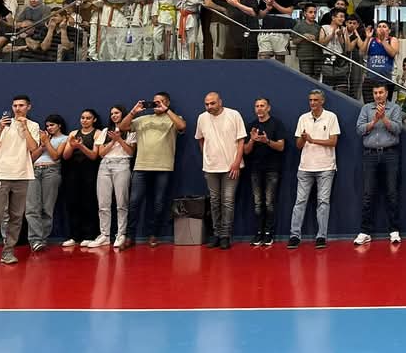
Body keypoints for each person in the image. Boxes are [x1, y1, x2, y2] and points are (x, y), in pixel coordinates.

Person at [119, 93, 186, 248]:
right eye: (155, 102)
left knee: (158, 203)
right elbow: (122, 127)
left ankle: (154, 234)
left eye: (160, 102)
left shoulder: (173, 118)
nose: (157, 105)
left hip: (163, 167)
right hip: (141, 167)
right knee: (134, 202)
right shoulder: (142, 119)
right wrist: (133, 112)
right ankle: (129, 237)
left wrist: (166, 110)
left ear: (167, 103)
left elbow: (182, 126)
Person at [0, 96, 39, 267]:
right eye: (15, 105)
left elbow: (33, 147)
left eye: (21, 105)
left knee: (16, 216)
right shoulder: (2, 124)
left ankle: (8, 252)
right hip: (2, 174)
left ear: (28, 107)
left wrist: (24, 127)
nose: (17, 108)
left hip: (22, 175)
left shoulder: (33, 125)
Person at [195, 91, 246, 250]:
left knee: (228, 201)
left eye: (212, 103)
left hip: (231, 167)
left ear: (220, 102)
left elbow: (241, 141)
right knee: (214, 201)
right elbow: (200, 138)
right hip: (211, 168)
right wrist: (207, 156)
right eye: (206, 104)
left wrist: (237, 162)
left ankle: (225, 236)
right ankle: (216, 234)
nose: (209, 106)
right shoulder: (202, 118)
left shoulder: (234, 115)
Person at [289, 89, 340, 249]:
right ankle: (294, 235)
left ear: (322, 101)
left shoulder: (331, 117)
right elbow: (298, 145)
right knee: (300, 201)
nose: (312, 103)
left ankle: (321, 236)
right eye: (310, 100)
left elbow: (333, 142)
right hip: (305, 167)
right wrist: (304, 140)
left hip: (326, 167)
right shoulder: (303, 118)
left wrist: (312, 140)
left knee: (323, 202)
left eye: (315, 100)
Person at [354, 84, 403, 246]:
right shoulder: (366, 109)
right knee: (368, 194)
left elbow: (397, 129)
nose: (378, 95)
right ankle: (365, 232)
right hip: (370, 155)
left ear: (387, 93)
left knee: (392, 193)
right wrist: (374, 120)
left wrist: (384, 118)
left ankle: (394, 231)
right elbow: (359, 129)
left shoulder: (394, 108)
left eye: (381, 92)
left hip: (390, 154)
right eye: (375, 92)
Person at [86, 105, 136, 249]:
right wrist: (113, 141)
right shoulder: (106, 131)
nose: (114, 115)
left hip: (122, 164)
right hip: (105, 165)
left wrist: (119, 139)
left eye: (117, 113)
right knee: (103, 204)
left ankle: (121, 234)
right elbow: (101, 153)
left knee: (121, 203)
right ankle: (104, 235)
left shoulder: (131, 131)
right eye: (112, 113)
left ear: (123, 114)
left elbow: (131, 152)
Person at [243, 97, 286, 247]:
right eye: (257, 106)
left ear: (268, 108)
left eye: (262, 105)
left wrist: (267, 141)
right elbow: (246, 151)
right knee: (257, 203)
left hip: (272, 169)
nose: (259, 108)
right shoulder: (251, 126)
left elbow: (281, 146)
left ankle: (268, 233)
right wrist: (252, 140)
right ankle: (258, 232)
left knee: (269, 203)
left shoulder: (277, 124)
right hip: (255, 169)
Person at [25, 114, 66, 253]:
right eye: (47, 126)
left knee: (47, 208)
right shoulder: (40, 138)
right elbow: (31, 158)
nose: (49, 128)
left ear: (59, 125)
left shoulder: (64, 138)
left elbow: (55, 156)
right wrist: (42, 146)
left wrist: (47, 142)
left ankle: (41, 239)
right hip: (34, 170)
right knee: (32, 207)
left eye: (52, 125)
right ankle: (35, 240)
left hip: (51, 170)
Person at [62, 108, 102, 248]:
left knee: (89, 203)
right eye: (82, 118)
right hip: (73, 172)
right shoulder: (73, 133)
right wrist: (73, 147)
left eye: (88, 118)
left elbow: (94, 156)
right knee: (73, 203)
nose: (84, 120)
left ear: (94, 120)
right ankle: (74, 236)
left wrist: (81, 146)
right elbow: (65, 156)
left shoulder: (97, 133)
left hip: (90, 171)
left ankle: (89, 235)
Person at [358, 20, 399, 102]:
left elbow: (392, 53)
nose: (381, 28)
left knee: (384, 106)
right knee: (369, 106)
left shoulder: (393, 39)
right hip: (370, 79)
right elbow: (361, 53)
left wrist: (383, 40)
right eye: (379, 26)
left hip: (386, 79)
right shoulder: (371, 40)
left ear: (389, 30)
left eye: (384, 26)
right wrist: (367, 38)